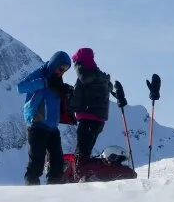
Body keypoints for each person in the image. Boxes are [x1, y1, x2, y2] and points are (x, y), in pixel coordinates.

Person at [17, 51, 72, 185]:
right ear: (54, 64)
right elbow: (21, 87)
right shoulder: (40, 74)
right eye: (61, 68)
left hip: (53, 128)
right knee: (36, 163)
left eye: (65, 69)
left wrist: (65, 92)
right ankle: (32, 190)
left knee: (57, 164)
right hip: (37, 125)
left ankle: (53, 191)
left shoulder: (58, 80)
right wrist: (44, 82)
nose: (62, 72)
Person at [68, 47, 114, 167]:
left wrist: (69, 100)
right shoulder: (102, 78)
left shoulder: (82, 79)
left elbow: (76, 100)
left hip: (86, 117)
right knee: (86, 150)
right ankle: (85, 171)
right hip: (100, 120)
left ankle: (79, 173)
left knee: (81, 152)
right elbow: (109, 88)